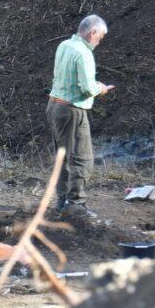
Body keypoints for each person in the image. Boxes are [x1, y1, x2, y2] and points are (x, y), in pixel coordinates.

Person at [46, 14, 115, 218]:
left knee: (62, 156)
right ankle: (76, 204)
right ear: (93, 32)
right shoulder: (84, 54)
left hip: (54, 106)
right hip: (71, 110)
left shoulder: (64, 45)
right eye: (100, 36)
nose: (99, 41)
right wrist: (101, 88)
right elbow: (87, 89)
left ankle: (62, 201)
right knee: (82, 159)